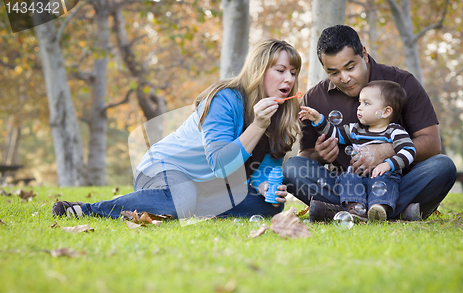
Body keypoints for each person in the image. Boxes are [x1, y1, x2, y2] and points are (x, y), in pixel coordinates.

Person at [52, 39, 302, 219]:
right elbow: (220, 164)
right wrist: (258, 125)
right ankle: (88, 209)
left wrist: (263, 186)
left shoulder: (279, 115)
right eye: (280, 71)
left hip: (206, 188)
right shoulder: (225, 99)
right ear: (258, 70)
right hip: (164, 170)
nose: (288, 80)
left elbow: (264, 171)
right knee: (182, 197)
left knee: (270, 206)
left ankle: (180, 208)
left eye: (293, 72)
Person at [282, 25, 457, 221]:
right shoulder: (314, 99)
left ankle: (340, 212)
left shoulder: (402, 83)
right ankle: (392, 213)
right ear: (324, 69)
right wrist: (319, 155)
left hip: (396, 182)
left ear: (364, 54)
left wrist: (386, 151)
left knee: (443, 167)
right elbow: (305, 156)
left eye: (350, 67)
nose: (345, 78)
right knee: (292, 168)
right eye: (333, 72)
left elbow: (432, 144)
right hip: (345, 184)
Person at [299, 80, 415, 222]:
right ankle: (355, 208)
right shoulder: (355, 129)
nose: (359, 108)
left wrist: (388, 165)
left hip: (383, 176)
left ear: (386, 112)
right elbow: (334, 133)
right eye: (360, 103)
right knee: (348, 177)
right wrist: (318, 119)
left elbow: (409, 151)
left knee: (386, 180)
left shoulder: (394, 131)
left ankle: (378, 208)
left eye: (366, 103)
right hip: (358, 177)